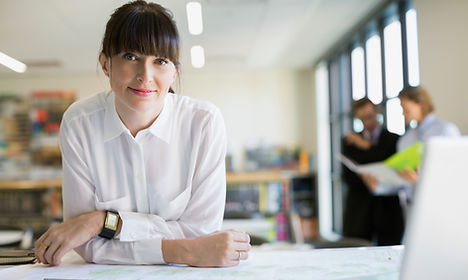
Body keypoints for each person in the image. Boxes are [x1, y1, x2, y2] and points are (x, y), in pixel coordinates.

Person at [33, 1, 250, 267]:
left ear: (174, 71)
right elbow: (85, 243)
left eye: (160, 61)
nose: (145, 76)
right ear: (105, 63)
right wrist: (186, 252)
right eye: (130, 57)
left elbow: (200, 232)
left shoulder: (204, 123)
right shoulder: (80, 123)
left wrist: (104, 221)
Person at [362, 86, 461, 196]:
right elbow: (403, 183)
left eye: (406, 109)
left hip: (438, 202)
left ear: (421, 105)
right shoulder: (405, 140)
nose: (403, 114)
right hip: (411, 206)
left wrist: (421, 181)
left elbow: (456, 173)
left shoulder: (445, 131)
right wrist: (378, 188)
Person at [342, 98, 404, 245]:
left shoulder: (394, 140)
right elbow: (349, 176)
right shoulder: (350, 142)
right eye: (362, 118)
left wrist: (366, 147)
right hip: (359, 209)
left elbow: (390, 168)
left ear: (378, 112)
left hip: (388, 210)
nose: (367, 122)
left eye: (369, 116)